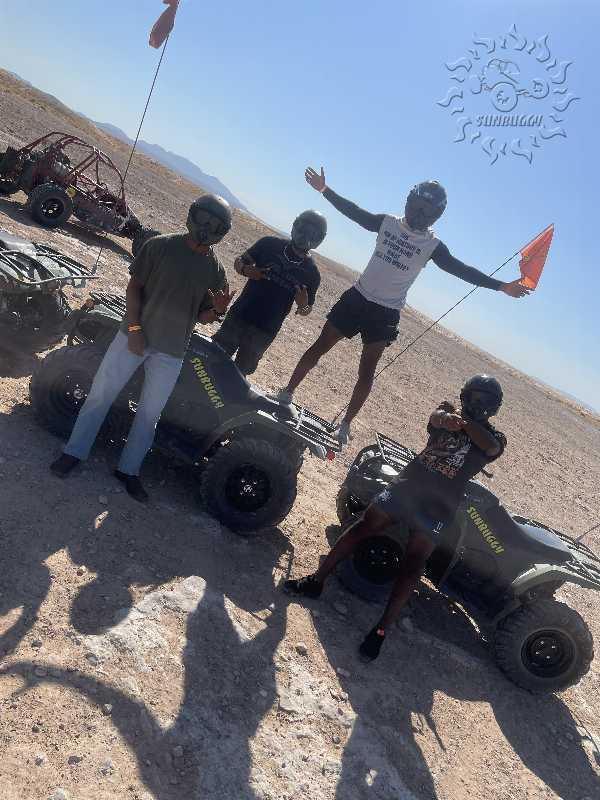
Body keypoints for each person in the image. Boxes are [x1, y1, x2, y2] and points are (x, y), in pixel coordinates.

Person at [277, 167, 530, 444]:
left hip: (385, 312)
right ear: (408, 202)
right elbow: (355, 213)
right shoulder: (387, 223)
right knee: (319, 346)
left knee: (367, 371)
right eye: (417, 208)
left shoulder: (432, 246)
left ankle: (345, 425)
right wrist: (325, 190)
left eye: (426, 213)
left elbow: (461, 269)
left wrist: (501, 286)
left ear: (436, 216)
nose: (419, 216)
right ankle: (287, 393)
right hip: (358, 297)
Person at [284, 375, 507, 661]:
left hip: (437, 506)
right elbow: (435, 417)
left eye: (480, 400)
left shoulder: (494, 436)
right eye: (472, 397)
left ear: (491, 406)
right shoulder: (448, 411)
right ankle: (316, 581)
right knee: (363, 527)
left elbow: (491, 447)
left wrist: (464, 424)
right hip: (409, 487)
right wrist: (448, 418)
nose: (474, 403)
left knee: (413, 565)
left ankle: (380, 631)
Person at [50, 194, 235, 502]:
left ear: (222, 232)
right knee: (101, 395)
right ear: (193, 215)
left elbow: (202, 317)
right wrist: (135, 329)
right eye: (204, 219)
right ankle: (73, 452)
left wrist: (217, 309)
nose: (206, 228)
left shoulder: (215, 271)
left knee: (150, 414)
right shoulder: (160, 246)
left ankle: (129, 470)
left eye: (215, 225)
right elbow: (134, 287)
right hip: (133, 336)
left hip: (171, 351)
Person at [212, 210, 326, 376]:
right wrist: (245, 270)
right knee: (215, 356)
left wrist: (302, 305)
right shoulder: (269, 244)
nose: (304, 236)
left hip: (265, 330)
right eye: (303, 229)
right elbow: (239, 261)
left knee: (240, 372)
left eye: (312, 233)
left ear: (318, 239)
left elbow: (307, 309)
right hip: (240, 315)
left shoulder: (312, 273)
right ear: (295, 225)